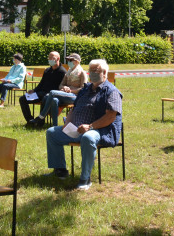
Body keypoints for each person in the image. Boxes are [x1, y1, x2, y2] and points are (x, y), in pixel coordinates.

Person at [46, 59, 122, 190]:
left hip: (101, 130)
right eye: (90, 70)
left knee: (88, 138)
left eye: (95, 71)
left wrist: (90, 126)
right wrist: (68, 122)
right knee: (52, 132)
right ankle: (60, 170)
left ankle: (85, 178)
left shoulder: (111, 91)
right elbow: (74, 109)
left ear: (104, 73)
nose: (91, 73)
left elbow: (110, 116)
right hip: (77, 129)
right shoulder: (85, 89)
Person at [29, 53, 87, 128]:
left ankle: (41, 116)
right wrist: (64, 88)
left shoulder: (82, 73)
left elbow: (83, 89)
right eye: (68, 60)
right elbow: (61, 85)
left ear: (76, 61)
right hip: (65, 95)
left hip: (75, 97)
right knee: (55, 100)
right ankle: (54, 126)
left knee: (52, 92)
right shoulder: (68, 72)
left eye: (70, 60)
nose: (68, 62)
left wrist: (70, 90)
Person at [21, 51, 67, 124]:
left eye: (52, 58)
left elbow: (61, 87)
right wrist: (34, 90)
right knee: (23, 99)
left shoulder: (62, 72)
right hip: (40, 93)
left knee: (45, 98)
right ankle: (30, 120)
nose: (50, 59)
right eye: (49, 58)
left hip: (50, 95)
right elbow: (41, 83)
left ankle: (40, 122)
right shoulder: (47, 70)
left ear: (58, 59)